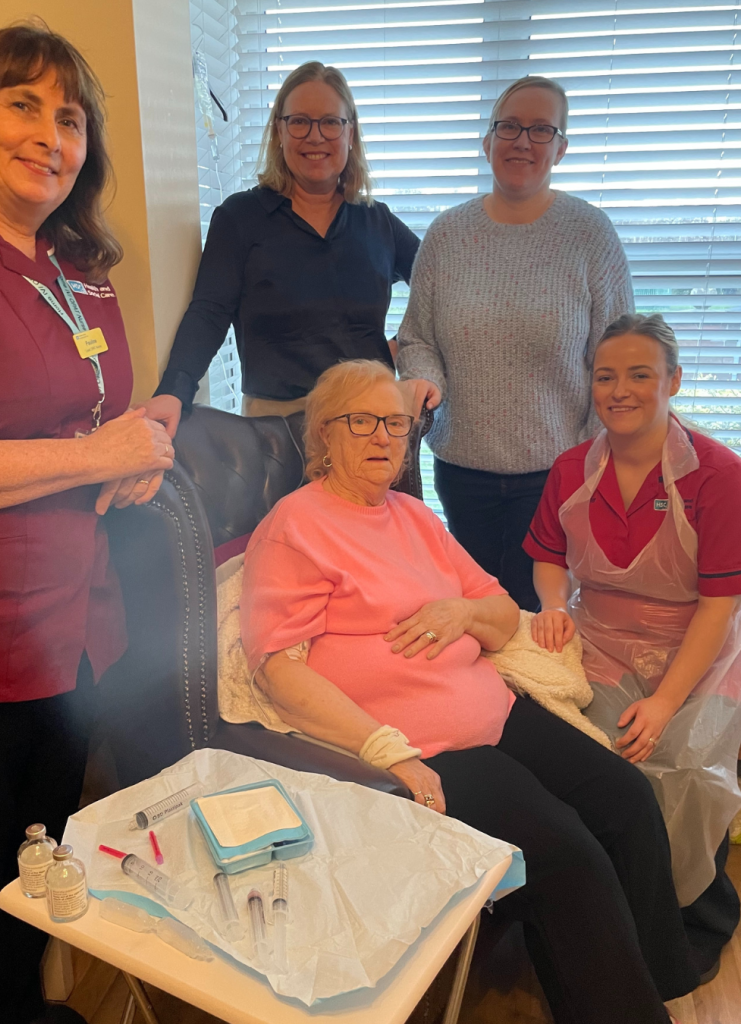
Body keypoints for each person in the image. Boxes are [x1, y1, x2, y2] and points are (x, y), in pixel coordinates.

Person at [240, 358, 698, 1024]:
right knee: (565, 852)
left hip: (497, 710)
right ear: (323, 437)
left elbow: (499, 610)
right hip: (429, 745)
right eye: (360, 422)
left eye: (395, 424)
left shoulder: (412, 517)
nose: (381, 439)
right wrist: (383, 747)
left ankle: (648, 987)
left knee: (627, 799)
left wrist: (457, 613)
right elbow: (276, 666)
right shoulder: (295, 526)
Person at [0, 25, 175, 1024]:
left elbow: (103, 426)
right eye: (21, 104)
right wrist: (93, 457)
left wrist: (141, 455)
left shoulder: (81, 269)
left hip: (75, 634)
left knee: (36, 880)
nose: (50, 134)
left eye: (69, 117)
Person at [526, 312, 741, 982]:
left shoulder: (718, 475)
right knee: (599, 766)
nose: (619, 390)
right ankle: (611, 913)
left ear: (671, 381)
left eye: (639, 374)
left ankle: (685, 924)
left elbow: (716, 607)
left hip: (699, 650)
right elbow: (547, 558)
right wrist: (554, 607)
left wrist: (666, 702)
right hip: (602, 643)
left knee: (685, 771)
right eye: (605, 376)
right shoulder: (569, 470)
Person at [397, 75, 634, 611]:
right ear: (487, 141)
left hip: (555, 477)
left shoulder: (591, 235)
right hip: (462, 471)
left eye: (540, 129)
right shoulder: (446, 236)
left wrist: (594, 464)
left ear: (561, 148)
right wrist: (426, 379)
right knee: (473, 615)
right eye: (508, 126)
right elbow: (417, 339)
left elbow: (618, 363)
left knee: (538, 622)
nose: (522, 141)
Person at [144, 60, 419, 435]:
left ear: (350, 133)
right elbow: (209, 313)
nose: (316, 136)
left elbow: (440, 289)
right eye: (300, 121)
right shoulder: (240, 217)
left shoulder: (378, 221)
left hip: (369, 422)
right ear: (279, 131)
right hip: (275, 429)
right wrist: (174, 391)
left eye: (330, 122)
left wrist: (403, 344)